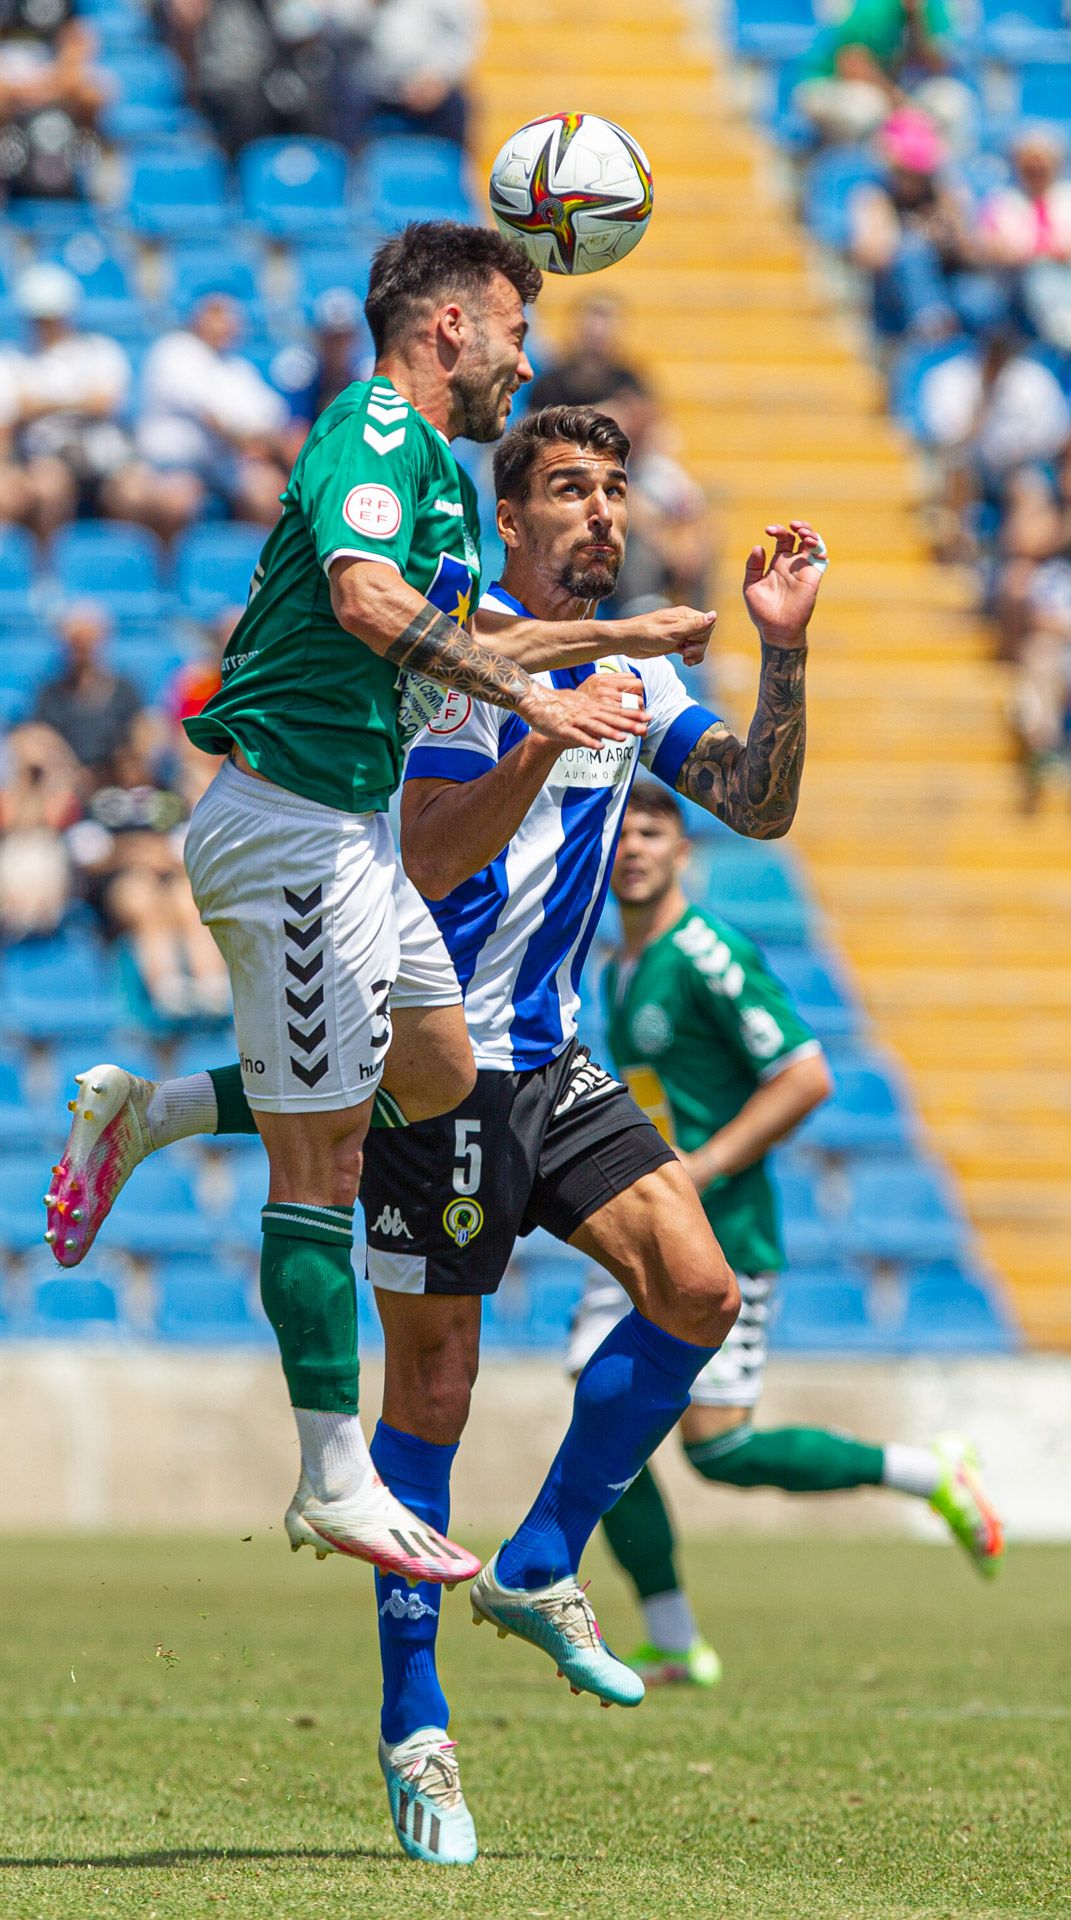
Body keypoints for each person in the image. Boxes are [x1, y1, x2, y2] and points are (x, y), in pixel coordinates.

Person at [45, 402, 824, 1863]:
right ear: (507, 519)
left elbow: (756, 803)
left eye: (614, 490)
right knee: (437, 1391)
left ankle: (535, 1562)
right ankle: (417, 1729)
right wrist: (546, 729)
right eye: (569, 492)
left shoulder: (630, 673)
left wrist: (779, 646)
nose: (600, 514)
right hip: (433, 1062)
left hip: (554, 1061)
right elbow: (424, 853)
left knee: (699, 1291)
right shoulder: (454, 663)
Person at [47, 225, 719, 1597]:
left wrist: (614, 637)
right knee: (326, 1167)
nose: (525, 363)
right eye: (516, 335)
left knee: (432, 1074)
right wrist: (538, 701)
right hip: (287, 830)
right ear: (451, 330)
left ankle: (154, 1113)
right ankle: (329, 1474)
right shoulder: (366, 429)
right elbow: (365, 603)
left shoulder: (434, 482)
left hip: (347, 834)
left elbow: (463, 631)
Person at [568, 783, 1005, 1690]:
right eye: (623, 834)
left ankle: (928, 1474)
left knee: (718, 1450)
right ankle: (672, 1634)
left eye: (652, 832)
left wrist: (703, 1166)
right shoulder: (615, 967)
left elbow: (804, 1075)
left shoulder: (708, 953)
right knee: (596, 1407)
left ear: (682, 850)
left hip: (719, 1231)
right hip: (641, 1229)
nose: (633, 850)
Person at [136, 292, 292, 526]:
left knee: (270, 493)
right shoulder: (175, 351)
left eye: (229, 318)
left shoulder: (238, 368)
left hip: (225, 469)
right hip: (172, 466)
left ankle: (263, 562)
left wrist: (260, 439)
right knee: (176, 501)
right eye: (216, 315)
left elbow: (273, 422)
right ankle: (167, 563)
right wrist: (249, 437)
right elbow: (213, 417)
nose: (224, 324)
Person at [794, 0, 973, 150]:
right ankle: (860, 179)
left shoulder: (934, 6)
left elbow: (940, 66)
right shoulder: (871, 5)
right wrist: (897, 101)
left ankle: (942, 180)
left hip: (894, 92)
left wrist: (917, 19)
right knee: (868, 108)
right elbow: (850, 64)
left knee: (951, 99)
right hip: (826, 85)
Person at [977, 125, 1071, 353]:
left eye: (1042, 159)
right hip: (1018, 286)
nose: (1036, 166)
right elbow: (995, 250)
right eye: (1029, 160)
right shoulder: (1001, 202)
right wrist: (1045, 253)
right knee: (1040, 275)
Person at [31, 601, 144, 777]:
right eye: (76, 644)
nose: (81, 651)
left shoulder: (124, 689)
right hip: (65, 776)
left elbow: (139, 733)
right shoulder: (50, 693)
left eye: (87, 642)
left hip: (115, 775)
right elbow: (39, 738)